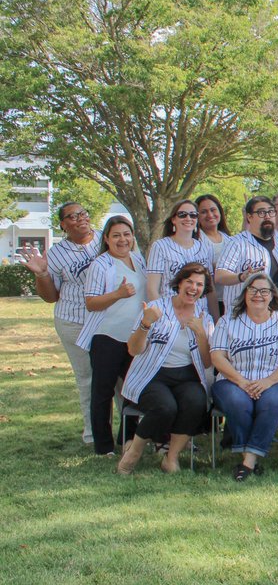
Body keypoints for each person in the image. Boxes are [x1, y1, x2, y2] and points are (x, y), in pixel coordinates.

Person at [116, 262, 214, 474]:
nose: (193, 288)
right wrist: (146, 324)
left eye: (199, 284)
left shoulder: (204, 318)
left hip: (187, 375)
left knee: (196, 401)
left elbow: (207, 363)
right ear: (179, 283)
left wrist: (202, 334)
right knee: (165, 407)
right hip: (152, 375)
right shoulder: (156, 307)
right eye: (189, 281)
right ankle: (134, 451)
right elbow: (133, 350)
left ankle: (171, 458)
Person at [16, 201, 102, 444]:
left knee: (119, 376)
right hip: (74, 321)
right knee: (88, 378)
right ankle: (92, 434)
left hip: (108, 319)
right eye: (73, 216)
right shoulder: (56, 254)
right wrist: (41, 274)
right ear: (63, 225)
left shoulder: (105, 241)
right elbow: (50, 296)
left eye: (83, 213)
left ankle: (129, 433)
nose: (81, 219)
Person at [210, 274, 278, 481]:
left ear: (272, 296)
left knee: (271, 402)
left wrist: (268, 381)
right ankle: (251, 456)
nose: (258, 295)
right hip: (233, 380)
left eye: (264, 291)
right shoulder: (227, 321)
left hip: (277, 380)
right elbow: (217, 356)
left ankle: (248, 461)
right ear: (244, 294)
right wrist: (241, 381)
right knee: (237, 402)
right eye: (253, 289)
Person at [76, 216, 146, 456]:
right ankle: (103, 446)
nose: (122, 240)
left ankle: (126, 438)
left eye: (126, 234)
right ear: (106, 239)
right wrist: (117, 294)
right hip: (107, 337)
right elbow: (91, 303)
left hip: (134, 338)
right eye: (116, 235)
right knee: (103, 392)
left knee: (133, 390)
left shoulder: (138, 260)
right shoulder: (101, 264)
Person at [146, 199, 218, 316]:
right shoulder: (160, 246)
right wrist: (164, 317)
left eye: (193, 215)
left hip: (200, 314)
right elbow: (152, 289)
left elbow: (210, 289)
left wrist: (216, 319)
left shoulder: (206, 248)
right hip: (170, 313)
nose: (188, 218)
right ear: (174, 219)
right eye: (182, 215)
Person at [215, 197, 278, 314]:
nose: (267, 216)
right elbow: (219, 275)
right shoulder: (236, 243)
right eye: (261, 212)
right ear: (249, 217)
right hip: (243, 319)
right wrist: (241, 276)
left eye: (271, 211)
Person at [195, 194, 231, 313]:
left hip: (230, 300)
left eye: (213, 210)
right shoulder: (196, 241)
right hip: (207, 302)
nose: (210, 215)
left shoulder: (229, 239)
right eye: (204, 212)